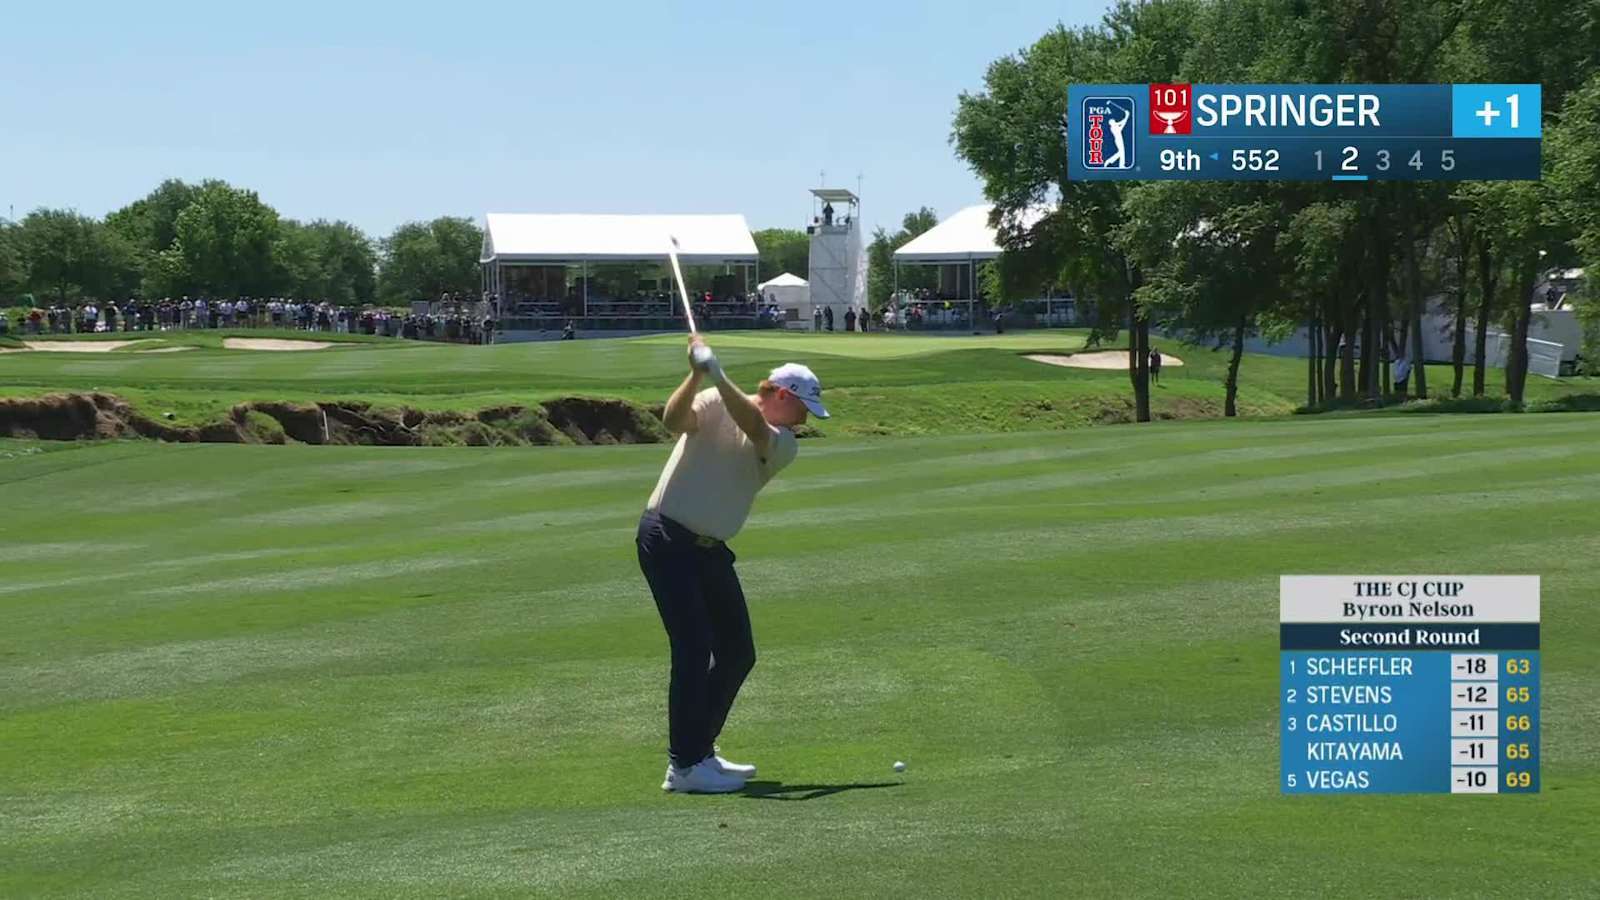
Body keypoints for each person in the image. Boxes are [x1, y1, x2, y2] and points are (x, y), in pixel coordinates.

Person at [638, 335, 830, 794]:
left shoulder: (784, 443)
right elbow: (672, 421)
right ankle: (685, 766)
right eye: (803, 408)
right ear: (781, 395)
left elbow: (754, 426)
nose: (805, 420)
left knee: (738, 651)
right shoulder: (711, 399)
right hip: (667, 538)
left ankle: (698, 750)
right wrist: (696, 375)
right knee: (693, 647)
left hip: (709, 549)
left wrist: (718, 373)